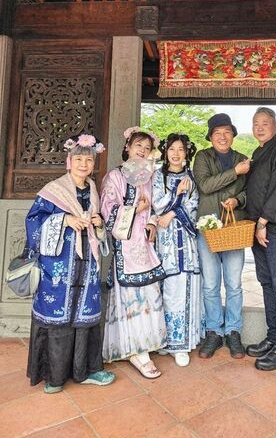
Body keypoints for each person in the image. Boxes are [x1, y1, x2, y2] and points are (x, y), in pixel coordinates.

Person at [25, 133, 115, 393]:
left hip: (87, 264)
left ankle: (87, 371)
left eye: (89, 160)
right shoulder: (53, 191)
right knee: (57, 316)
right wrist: (64, 220)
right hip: (59, 265)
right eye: (78, 159)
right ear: (69, 161)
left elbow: (100, 225)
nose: (83, 165)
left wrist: (99, 223)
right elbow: (34, 221)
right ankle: (54, 376)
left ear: (94, 163)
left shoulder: (94, 190)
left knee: (85, 315)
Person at [101, 127, 167, 379]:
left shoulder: (149, 177)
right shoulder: (115, 176)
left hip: (145, 246)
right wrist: (135, 209)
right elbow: (108, 212)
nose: (142, 150)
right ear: (127, 147)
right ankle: (135, 350)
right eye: (138, 145)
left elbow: (155, 209)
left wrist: (151, 222)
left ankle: (147, 342)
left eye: (147, 148)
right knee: (130, 297)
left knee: (148, 295)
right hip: (126, 248)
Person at [193, 113, 250, 359]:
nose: (223, 137)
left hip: (234, 229)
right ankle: (214, 331)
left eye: (227, 132)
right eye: (217, 133)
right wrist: (235, 172)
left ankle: (233, 330)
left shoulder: (243, 159)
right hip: (208, 228)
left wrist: (238, 200)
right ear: (211, 136)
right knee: (210, 284)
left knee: (234, 284)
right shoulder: (202, 157)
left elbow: (250, 191)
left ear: (233, 135)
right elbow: (205, 185)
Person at [246, 107, 276, 371]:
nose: (260, 127)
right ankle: (273, 336)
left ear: (275, 125)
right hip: (258, 229)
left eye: (265, 123)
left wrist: (264, 221)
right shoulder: (257, 152)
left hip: (273, 229)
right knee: (266, 283)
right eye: (256, 123)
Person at [152, 133, 202, 367]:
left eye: (180, 149)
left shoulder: (191, 178)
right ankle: (164, 340)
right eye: (172, 149)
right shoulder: (157, 176)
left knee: (183, 289)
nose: (176, 153)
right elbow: (156, 204)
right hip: (164, 243)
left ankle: (181, 344)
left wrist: (172, 212)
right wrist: (176, 194)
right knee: (165, 290)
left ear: (186, 153)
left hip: (186, 244)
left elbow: (194, 207)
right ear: (165, 151)